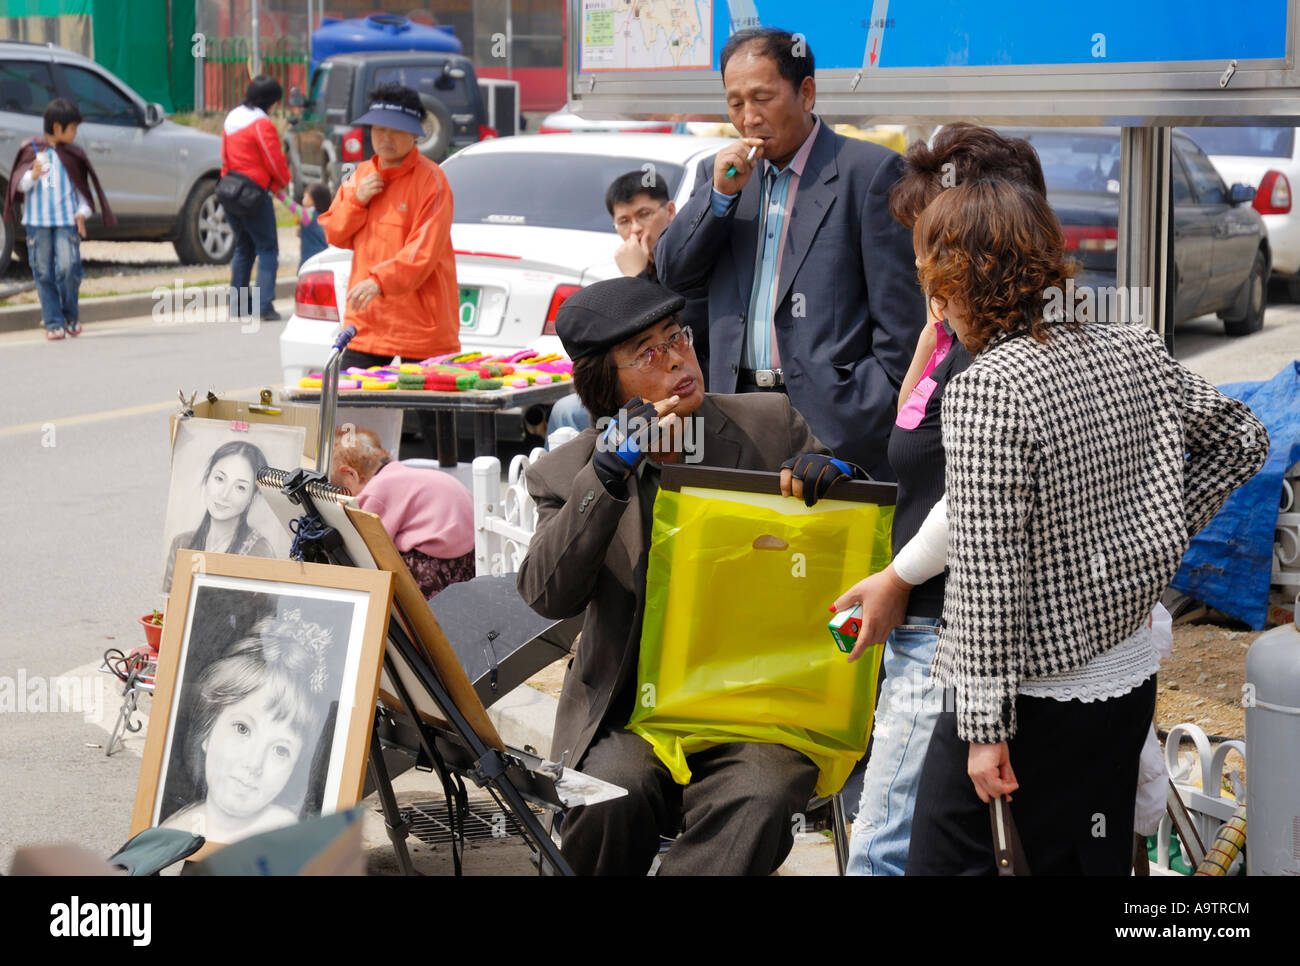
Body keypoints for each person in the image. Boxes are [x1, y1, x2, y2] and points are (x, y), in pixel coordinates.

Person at [902, 179, 1268, 875]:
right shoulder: (1132, 346)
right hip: (1125, 680)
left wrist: (983, 731)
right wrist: (1156, 533)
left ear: (955, 284)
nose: (932, 301)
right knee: (1085, 860)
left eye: (933, 281)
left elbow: (990, 573)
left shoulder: (987, 386)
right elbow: (1243, 438)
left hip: (1027, 697)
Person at [517, 275, 863, 875]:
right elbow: (548, 594)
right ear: (608, 383)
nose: (677, 358)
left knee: (760, 791)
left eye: (677, 337)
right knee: (609, 796)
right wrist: (604, 478)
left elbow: (851, 537)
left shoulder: (767, 424)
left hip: (753, 704)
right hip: (632, 712)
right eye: (648, 353)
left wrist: (834, 479)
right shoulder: (566, 470)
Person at [829, 124, 1049, 876]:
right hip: (925, 627)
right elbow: (913, 439)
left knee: (883, 853)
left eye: (933, 242)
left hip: (948, 637)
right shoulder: (950, 334)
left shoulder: (1004, 362)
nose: (917, 258)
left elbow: (975, 498)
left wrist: (898, 579)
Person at [654, 27, 922, 478]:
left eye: (763, 98)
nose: (749, 118)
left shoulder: (869, 173)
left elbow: (901, 327)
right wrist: (719, 196)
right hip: (734, 415)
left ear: (806, 93)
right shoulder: (719, 173)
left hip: (834, 427)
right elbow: (674, 274)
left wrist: (861, 418)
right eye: (735, 102)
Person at [548, 169, 708, 439]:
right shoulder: (637, 266)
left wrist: (636, 277)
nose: (635, 229)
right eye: (624, 221)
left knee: (570, 412)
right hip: (645, 379)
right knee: (566, 408)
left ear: (671, 212)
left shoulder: (688, 260)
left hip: (692, 379)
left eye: (644, 214)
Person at [161, 612, 334, 843]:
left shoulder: (280, 834)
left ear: (296, 768)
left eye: (281, 750)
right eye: (242, 729)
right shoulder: (177, 826)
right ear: (207, 730)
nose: (253, 764)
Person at [318, 82, 459, 368]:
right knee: (350, 409)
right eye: (379, 128)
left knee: (422, 412)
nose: (385, 137)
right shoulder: (362, 175)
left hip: (422, 326)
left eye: (396, 129)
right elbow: (334, 232)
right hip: (368, 321)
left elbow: (422, 252)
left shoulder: (432, 182)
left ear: (415, 134)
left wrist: (379, 280)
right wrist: (357, 201)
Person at [3, 98, 115, 341]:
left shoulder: (74, 155)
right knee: (43, 272)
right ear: (56, 128)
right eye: (72, 128)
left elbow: (82, 192)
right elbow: (19, 186)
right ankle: (53, 321)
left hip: (66, 222)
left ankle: (70, 316)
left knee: (68, 268)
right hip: (37, 224)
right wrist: (32, 175)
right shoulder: (31, 149)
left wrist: (82, 214)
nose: (75, 133)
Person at [329, 426, 475, 599]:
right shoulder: (403, 474)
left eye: (340, 490)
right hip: (469, 559)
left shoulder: (375, 492)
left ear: (350, 474)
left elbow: (366, 547)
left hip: (433, 565)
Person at [221, 75, 291, 322]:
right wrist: (284, 182)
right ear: (271, 102)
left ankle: (239, 306)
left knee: (243, 248)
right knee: (268, 248)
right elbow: (274, 161)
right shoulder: (262, 124)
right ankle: (264, 306)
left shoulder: (232, 118)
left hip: (229, 191)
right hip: (253, 195)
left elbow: (225, 158)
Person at [163, 441, 274, 593]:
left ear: (252, 497)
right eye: (219, 479)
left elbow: (263, 613)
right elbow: (171, 604)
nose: (224, 494)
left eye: (240, 487)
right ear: (207, 478)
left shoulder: (259, 552)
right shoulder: (182, 543)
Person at [277, 181, 332, 268]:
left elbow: (293, 207)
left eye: (305, 196)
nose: (303, 199)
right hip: (324, 258)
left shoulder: (308, 214)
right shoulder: (325, 216)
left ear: (314, 200)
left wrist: (279, 194)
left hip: (309, 260)